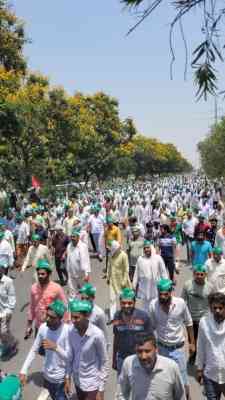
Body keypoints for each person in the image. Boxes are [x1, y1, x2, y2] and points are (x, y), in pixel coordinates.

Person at [149, 278, 195, 399]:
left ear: (171, 292)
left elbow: (189, 323)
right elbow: (151, 328)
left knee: (183, 379)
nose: (163, 297)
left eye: (166, 294)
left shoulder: (180, 303)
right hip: (162, 348)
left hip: (178, 349)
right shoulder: (153, 305)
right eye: (160, 294)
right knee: (165, 379)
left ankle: (187, 397)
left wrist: (192, 343)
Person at [20, 300, 69, 400]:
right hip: (46, 376)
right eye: (47, 315)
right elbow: (34, 350)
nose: (47, 319)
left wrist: (56, 347)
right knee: (53, 396)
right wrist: (24, 370)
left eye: (52, 317)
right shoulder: (43, 328)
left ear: (60, 318)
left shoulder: (67, 331)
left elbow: (71, 357)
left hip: (60, 379)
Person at [65, 299, 109, 400]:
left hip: (92, 384)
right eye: (72, 317)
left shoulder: (97, 335)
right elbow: (70, 356)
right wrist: (67, 377)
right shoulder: (71, 331)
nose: (73, 321)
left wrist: (101, 389)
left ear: (86, 316)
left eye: (76, 317)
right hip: (78, 382)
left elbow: (104, 361)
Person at [119, 333, 186, 400]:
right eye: (139, 351)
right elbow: (121, 393)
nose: (143, 356)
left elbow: (180, 396)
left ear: (156, 349)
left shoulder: (171, 367)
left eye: (147, 351)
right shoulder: (128, 364)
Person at [112, 288, 152, 378]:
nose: (126, 306)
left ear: (134, 303)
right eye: (123, 303)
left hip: (140, 358)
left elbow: (150, 339)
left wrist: (151, 359)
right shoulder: (116, 316)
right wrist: (114, 359)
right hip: (122, 358)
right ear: (120, 302)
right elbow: (116, 338)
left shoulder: (144, 317)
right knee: (122, 389)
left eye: (129, 303)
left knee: (139, 387)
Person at [25, 259, 67, 338]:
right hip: (39, 326)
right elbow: (32, 307)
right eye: (38, 274)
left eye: (43, 274)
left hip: (53, 327)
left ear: (49, 274)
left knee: (52, 349)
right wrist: (29, 325)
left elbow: (65, 306)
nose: (40, 276)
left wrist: (66, 324)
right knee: (38, 349)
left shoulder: (56, 288)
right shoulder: (33, 288)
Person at [196, 292, 225, 399]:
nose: (217, 311)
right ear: (211, 308)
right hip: (210, 375)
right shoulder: (204, 323)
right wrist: (199, 368)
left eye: (220, 308)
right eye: (215, 308)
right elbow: (201, 346)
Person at [181, 264, 209, 364]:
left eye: (202, 274)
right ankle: (192, 356)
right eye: (197, 274)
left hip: (205, 320)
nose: (199, 276)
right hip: (191, 319)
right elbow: (182, 301)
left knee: (204, 340)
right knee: (192, 340)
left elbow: (214, 302)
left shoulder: (210, 287)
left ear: (206, 275)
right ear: (193, 274)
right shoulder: (187, 285)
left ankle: (204, 359)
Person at [133, 240, 167, 311]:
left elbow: (163, 272)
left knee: (156, 306)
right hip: (144, 288)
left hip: (155, 287)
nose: (146, 249)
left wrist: (166, 284)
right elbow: (136, 273)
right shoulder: (140, 259)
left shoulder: (158, 258)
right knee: (145, 308)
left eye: (148, 248)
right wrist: (133, 286)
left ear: (151, 248)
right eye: (144, 248)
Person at [107, 241, 131, 323]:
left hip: (122, 281)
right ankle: (113, 317)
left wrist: (124, 281)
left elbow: (126, 268)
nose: (119, 248)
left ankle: (126, 316)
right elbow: (109, 266)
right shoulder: (111, 255)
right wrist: (107, 276)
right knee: (112, 299)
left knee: (124, 299)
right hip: (112, 281)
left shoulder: (123, 255)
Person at [79, 283, 109, 348]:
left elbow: (105, 336)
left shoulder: (99, 314)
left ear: (93, 298)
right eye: (82, 298)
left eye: (87, 298)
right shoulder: (78, 311)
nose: (84, 301)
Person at [66, 228, 91, 298]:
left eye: (74, 236)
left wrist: (87, 274)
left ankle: (86, 306)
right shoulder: (69, 246)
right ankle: (74, 307)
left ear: (78, 237)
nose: (72, 238)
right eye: (71, 236)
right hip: (71, 274)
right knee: (72, 293)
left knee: (84, 293)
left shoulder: (83, 246)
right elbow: (68, 259)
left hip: (81, 275)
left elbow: (86, 260)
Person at [0, 261, 17, 360]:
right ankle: (11, 342)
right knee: (3, 332)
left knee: (3, 331)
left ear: (2, 269)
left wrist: (9, 311)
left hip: (5, 312)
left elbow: (12, 297)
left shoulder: (8, 281)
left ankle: (10, 348)